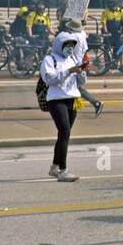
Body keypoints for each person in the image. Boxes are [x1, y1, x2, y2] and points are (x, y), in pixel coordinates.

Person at [39, 28, 87, 182]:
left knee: (63, 134)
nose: (70, 48)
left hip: (72, 99)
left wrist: (81, 72)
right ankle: (63, 170)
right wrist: (68, 71)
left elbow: (82, 82)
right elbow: (50, 79)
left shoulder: (72, 59)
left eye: (72, 45)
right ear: (59, 44)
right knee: (65, 131)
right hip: (56, 100)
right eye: (67, 45)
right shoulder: (50, 60)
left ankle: (54, 166)